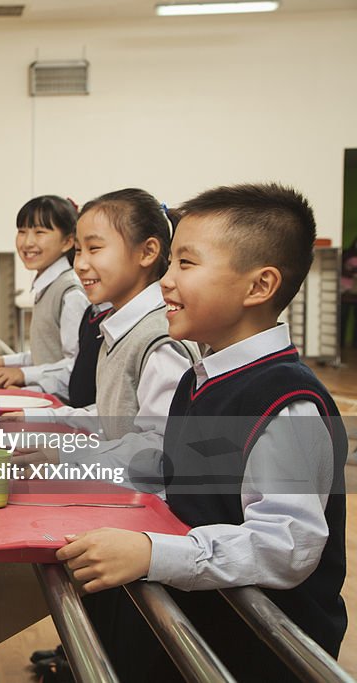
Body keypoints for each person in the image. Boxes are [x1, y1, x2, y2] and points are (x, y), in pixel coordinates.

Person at [55, 183, 348, 682]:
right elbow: (172, 468)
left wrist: (154, 553)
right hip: (208, 623)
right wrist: (64, 463)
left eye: (185, 265)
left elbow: (287, 544)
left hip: (262, 651)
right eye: (169, 263)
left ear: (259, 286)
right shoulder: (205, 376)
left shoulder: (288, 402)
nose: (165, 281)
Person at [14, 188, 197, 443]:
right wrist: (45, 417)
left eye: (94, 248)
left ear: (147, 252)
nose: (80, 264)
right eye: (78, 250)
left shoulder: (160, 342)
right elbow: (113, 416)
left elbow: (158, 452)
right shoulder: (118, 327)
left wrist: (68, 458)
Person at [0, 195, 90, 401]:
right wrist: (4, 362)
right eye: (22, 231)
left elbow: (76, 365)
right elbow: (47, 354)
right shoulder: (47, 284)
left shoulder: (71, 293)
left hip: (62, 407)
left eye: (40, 232)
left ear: (68, 241)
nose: (27, 242)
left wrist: (23, 375)